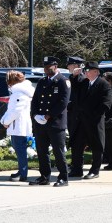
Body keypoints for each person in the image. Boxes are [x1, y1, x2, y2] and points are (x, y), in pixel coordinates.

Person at [30, 56, 70, 186]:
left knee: (58, 151)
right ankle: (44, 176)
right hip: (41, 122)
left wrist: (49, 115)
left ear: (56, 66)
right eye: (45, 67)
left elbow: (63, 102)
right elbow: (35, 100)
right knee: (42, 151)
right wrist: (35, 115)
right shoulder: (42, 81)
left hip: (55, 122)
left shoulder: (63, 81)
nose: (47, 69)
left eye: (49, 67)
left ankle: (63, 177)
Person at [0, 70, 34, 183]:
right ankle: (21, 171)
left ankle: (23, 174)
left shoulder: (19, 93)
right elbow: (12, 110)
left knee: (20, 150)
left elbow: (16, 111)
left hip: (18, 126)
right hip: (16, 126)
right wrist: (4, 120)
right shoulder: (18, 92)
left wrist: (6, 121)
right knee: (19, 149)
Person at [79, 62, 110, 178]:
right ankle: (77, 168)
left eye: (88, 70)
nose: (86, 72)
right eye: (85, 70)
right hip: (84, 120)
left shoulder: (103, 84)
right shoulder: (85, 83)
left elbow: (106, 104)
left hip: (96, 120)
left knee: (97, 145)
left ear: (96, 72)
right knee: (81, 144)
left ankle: (95, 170)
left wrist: (94, 115)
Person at [66, 56, 90, 178]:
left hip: (79, 118)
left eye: (70, 65)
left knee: (78, 143)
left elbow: (78, 99)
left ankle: (77, 168)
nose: (68, 67)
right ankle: (76, 166)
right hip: (73, 116)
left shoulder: (82, 79)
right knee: (74, 143)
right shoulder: (73, 78)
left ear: (76, 66)